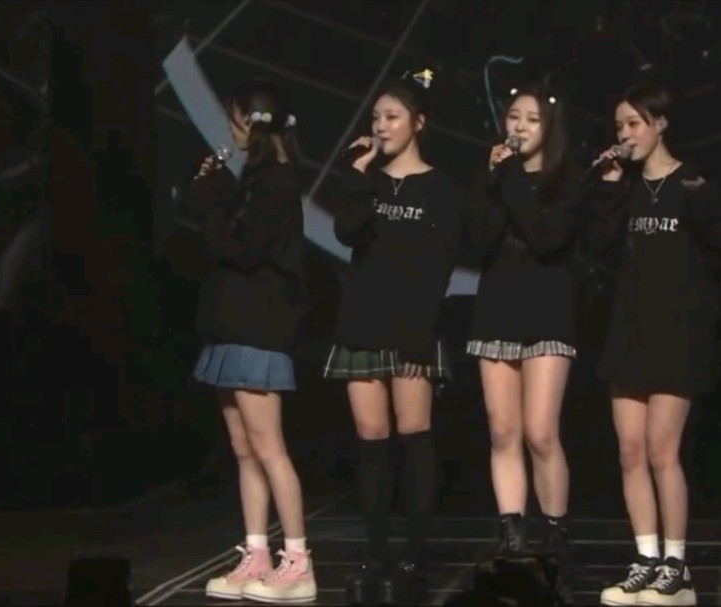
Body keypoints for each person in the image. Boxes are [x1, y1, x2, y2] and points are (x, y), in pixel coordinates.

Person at [589, 83, 721, 607]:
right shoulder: (626, 189)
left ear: (659, 124)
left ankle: (677, 567)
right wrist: (610, 187)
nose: (624, 134)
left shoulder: (692, 185)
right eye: (619, 126)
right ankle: (646, 560)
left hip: (677, 334)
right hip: (629, 331)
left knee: (661, 450)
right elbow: (602, 251)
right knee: (630, 450)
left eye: (633, 124)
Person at [323, 69, 463, 606]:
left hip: (413, 328)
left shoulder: (442, 188)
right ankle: (376, 554)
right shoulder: (365, 180)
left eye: (392, 117)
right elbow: (346, 232)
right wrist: (357, 174)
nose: (380, 126)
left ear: (418, 123)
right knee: (371, 437)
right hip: (362, 322)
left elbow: (441, 265)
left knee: (414, 434)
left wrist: (418, 334)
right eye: (376, 117)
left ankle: (414, 558)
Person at [187, 79, 316, 604]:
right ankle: (257, 554)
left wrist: (212, 196)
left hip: (257, 328)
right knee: (244, 449)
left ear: (253, 123)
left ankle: (299, 563)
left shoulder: (275, 182)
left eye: (235, 118)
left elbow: (239, 249)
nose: (230, 129)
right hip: (232, 323)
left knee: (268, 448)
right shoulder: (258, 178)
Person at [464, 82, 584, 604]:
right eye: (514, 117)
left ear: (549, 128)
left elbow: (545, 236)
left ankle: (556, 544)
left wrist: (510, 175)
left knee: (539, 431)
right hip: (497, 308)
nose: (519, 127)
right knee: (503, 430)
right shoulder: (494, 177)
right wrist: (491, 179)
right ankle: (513, 541)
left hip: (548, 310)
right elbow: (479, 239)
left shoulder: (566, 180)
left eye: (532, 120)